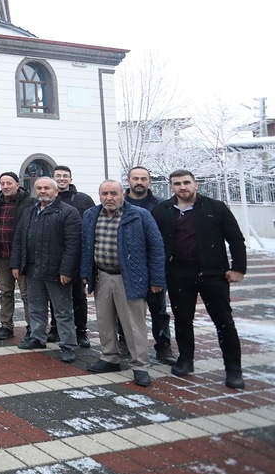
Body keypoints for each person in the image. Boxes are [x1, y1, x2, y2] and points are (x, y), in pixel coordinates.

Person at [152, 170, 247, 389]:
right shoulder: (162, 210)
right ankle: (186, 360)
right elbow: (155, 245)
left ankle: (233, 369)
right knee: (183, 319)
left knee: (224, 322)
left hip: (213, 273)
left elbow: (235, 239)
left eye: (186, 182)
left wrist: (238, 269)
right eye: (177, 183)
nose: (182, 187)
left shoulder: (215, 208)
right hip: (178, 274)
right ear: (171, 187)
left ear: (196, 185)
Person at [81, 180, 166, 387]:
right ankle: (110, 357)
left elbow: (156, 247)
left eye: (113, 193)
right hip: (102, 275)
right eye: (104, 193)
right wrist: (85, 273)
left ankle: (140, 365)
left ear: (123, 194)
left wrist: (156, 279)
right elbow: (86, 246)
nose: (108, 198)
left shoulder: (139, 215)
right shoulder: (91, 214)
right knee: (104, 320)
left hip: (129, 277)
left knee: (133, 324)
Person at [12, 177, 82, 363]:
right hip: (33, 269)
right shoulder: (29, 212)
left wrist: (66, 270)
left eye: (46, 188)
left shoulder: (68, 213)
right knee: (36, 307)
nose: (42, 191)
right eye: (39, 188)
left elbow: (73, 245)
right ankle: (37, 337)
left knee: (62, 311)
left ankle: (68, 345)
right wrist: (16, 264)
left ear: (56, 191)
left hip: (57, 272)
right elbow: (19, 239)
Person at [122, 165, 176, 364]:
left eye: (143, 178)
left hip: (153, 265)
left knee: (158, 310)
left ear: (150, 181)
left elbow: (166, 238)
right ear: (128, 180)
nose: (139, 182)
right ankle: (125, 344)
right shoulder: (120, 203)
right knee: (126, 310)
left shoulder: (161, 206)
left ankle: (163, 346)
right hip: (126, 266)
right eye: (135, 178)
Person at [51, 165, 95, 348]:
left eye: (65, 176)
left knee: (78, 296)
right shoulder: (47, 199)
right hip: (53, 256)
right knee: (55, 296)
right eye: (58, 176)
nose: (61, 179)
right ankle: (55, 328)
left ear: (71, 179)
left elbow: (92, 226)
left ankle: (81, 331)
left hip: (77, 255)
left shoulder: (83, 200)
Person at [0, 172, 35, 339]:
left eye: (9, 183)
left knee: (26, 294)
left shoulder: (29, 202)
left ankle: (33, 327)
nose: (5, 186)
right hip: (2, 255)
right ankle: (6, 326)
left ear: (18, 184)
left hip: (22, 256)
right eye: (2, 183)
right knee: (5, 292)